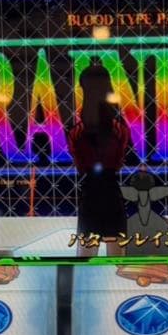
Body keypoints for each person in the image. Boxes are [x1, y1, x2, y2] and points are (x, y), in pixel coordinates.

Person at [68, 65, 130, 257]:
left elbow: (80, 164)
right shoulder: (119, 129)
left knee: (91, 258)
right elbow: (118, 162)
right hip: (106, 192)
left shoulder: (76, 131)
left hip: (94, 193)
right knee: (114, 257)